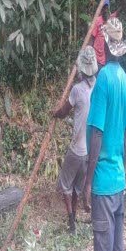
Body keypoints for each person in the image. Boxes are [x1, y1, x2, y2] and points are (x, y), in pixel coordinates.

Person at [75, 17, 126, 251]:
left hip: (104, 184)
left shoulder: (102, 86)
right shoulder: (125, 81)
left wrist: (87, 181)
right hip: (120, 181)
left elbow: (95, 135)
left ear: (105, 49)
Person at [51, 46, 98, 233]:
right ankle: (75, 219)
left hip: (78, 149)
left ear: (81, 70)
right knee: (79, 186)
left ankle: (71, 223)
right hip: (91, 151)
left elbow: (64, 112)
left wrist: (55, 113)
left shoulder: (77, 90)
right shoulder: (98, 86)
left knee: (65, 184)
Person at [90, 0, 119, 68]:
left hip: (106, 58)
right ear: (101, 10)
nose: (105, 10)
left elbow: (118, 12)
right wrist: (90, 54)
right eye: (104, 8)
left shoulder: (110, 19)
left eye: (107, 8)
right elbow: (92, 38)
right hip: (97, 58)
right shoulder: (97, 21)